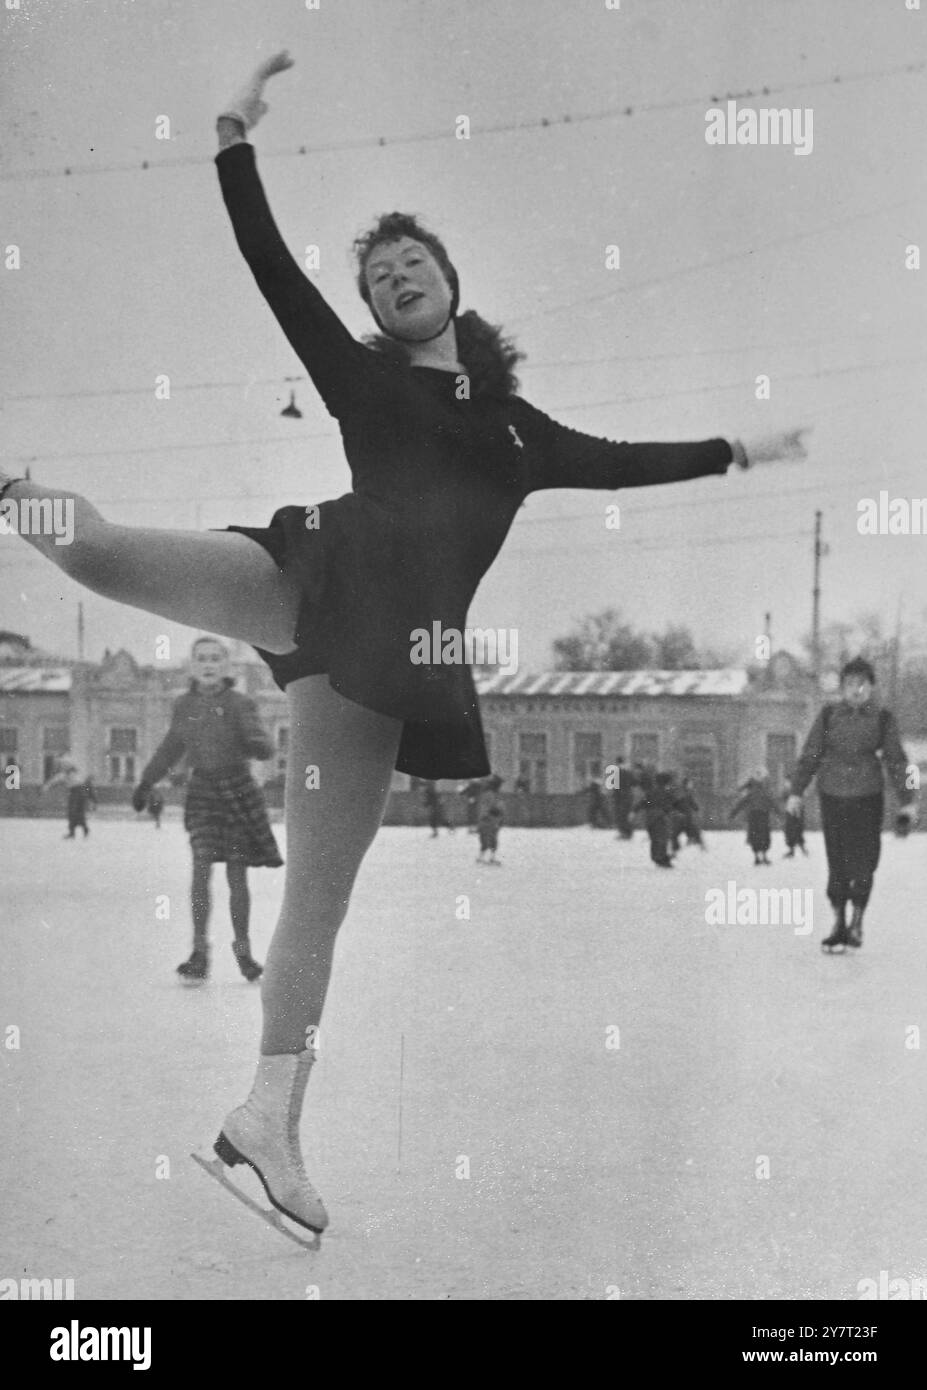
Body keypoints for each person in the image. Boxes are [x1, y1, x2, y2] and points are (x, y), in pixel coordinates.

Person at [0, 49, 809, 1240]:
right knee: (100, 553)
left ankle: (265, 1122)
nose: (395, 280)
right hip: (307, 575)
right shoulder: (362, 385)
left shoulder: (523, 434)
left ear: (447, 284)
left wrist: (744, 449)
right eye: (378, 277)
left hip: (392, 660)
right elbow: (269, 264)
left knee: (316, 905)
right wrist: (233, 130)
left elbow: (629, 461)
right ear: (373, 314)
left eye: (409, 264)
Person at [131, 637, 282, 983]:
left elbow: (264, 744)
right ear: (192, 666)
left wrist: (257, 744)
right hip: (203, 792)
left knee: (236, 876)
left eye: (215, 659)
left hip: (237, 791)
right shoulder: (184, 705)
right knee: (200, 873)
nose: (209, 664)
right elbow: (171, 748)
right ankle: (199, 954)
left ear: (226, 667)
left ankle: (244, 955)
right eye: (202, 659)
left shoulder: (240, 703)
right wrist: (146, 782)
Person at [788, 657, 917, 952]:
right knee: (838, 863)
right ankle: (838, 924)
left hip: (868, 798)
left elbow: (898, 761)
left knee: (865, 862)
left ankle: (857, 919)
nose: (856, 690)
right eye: (849, 684)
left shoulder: (883, 719)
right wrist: (796, 791)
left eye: (862, 684)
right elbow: (811, 754)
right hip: (832, 797)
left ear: (871, 687)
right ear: (842, 688)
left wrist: (909, 800)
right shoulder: (828, 715)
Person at [729, 769, 778, 866]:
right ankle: (763, 857)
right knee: (763, 837)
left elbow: (741, 803)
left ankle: (757, 857)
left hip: (754, 816)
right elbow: (772, 803)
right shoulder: (764, 792)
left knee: (755, 836)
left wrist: (733, 813)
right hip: (762, 816)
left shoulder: (752, 793)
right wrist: (779, 813)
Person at [42, 759, 97, 839]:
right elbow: (88, 785)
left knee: (73, 812)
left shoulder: (65, 775)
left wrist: (45, 787)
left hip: (76, 792)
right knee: (78, 813)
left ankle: (74, 832)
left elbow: (53, 782)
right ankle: (83, 830)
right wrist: (91, 798)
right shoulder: (77, 774)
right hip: (81, 792)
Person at [640, 770, 675, 868]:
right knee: (662, 838)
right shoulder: (667, 793)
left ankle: (656, 857)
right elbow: (672, 805)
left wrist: (634, 812)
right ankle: (661, 858)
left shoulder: (651, 792)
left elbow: (643, 803)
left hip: (650, 818)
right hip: (660, 817)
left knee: (655, 838)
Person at [476, 775, 504, 864]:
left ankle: (491, 857)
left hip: (494, 820)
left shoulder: (496, 794)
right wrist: (488, 814)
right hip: (487, 820)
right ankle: (481, 857)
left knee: (493, 839)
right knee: (485, 839)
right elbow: (484, 807)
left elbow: (499, 806)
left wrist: (500, 816)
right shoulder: (488, 794)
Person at [611, 756, 635, 840]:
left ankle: (624, 833)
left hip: (621, 796)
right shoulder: (628, 771)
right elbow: (634, 782)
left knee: (621, 815)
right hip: (629, 795)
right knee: (626, 814)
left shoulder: (617, 772)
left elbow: (615, 786)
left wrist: (615, 796)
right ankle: (629, 832)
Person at [781, 780, 807, 858]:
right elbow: (784, 798)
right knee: (792, 830)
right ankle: (794, 849)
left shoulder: (797, 787)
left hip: (796, 810)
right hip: (791, 810)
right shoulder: (791, 787)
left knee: (796, 829)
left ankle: (800, 848)